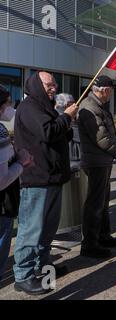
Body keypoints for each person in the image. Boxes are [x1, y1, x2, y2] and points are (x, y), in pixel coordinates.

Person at [13, 71, 78, 295]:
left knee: (48, 228)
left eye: (55, 85)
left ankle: (43, 264)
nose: (54, 89)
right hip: (37, 179)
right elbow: (48, 132)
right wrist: (67, 117)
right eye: (50, 85)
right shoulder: (29, 106)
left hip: (52, 177)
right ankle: (23, 275)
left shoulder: (45, 107)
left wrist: (66, 122)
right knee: (32, 229)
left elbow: (58, 134)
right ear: (38, 85)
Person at [78, 75, 116, 259]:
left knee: (103, 201)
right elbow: (101, 137)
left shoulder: (99, 106)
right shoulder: (90, 107)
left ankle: (103, 236)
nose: (111, 94)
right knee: (94, 203)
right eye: (110, 90)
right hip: (95, 162)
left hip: (102, 161)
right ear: (105, 90)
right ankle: (89, 244)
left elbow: (109, 134)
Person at [0, 86, 34, 282]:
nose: (11, 107)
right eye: (8, 102)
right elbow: (2, 179)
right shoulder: (1, 132)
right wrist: (21, 162)